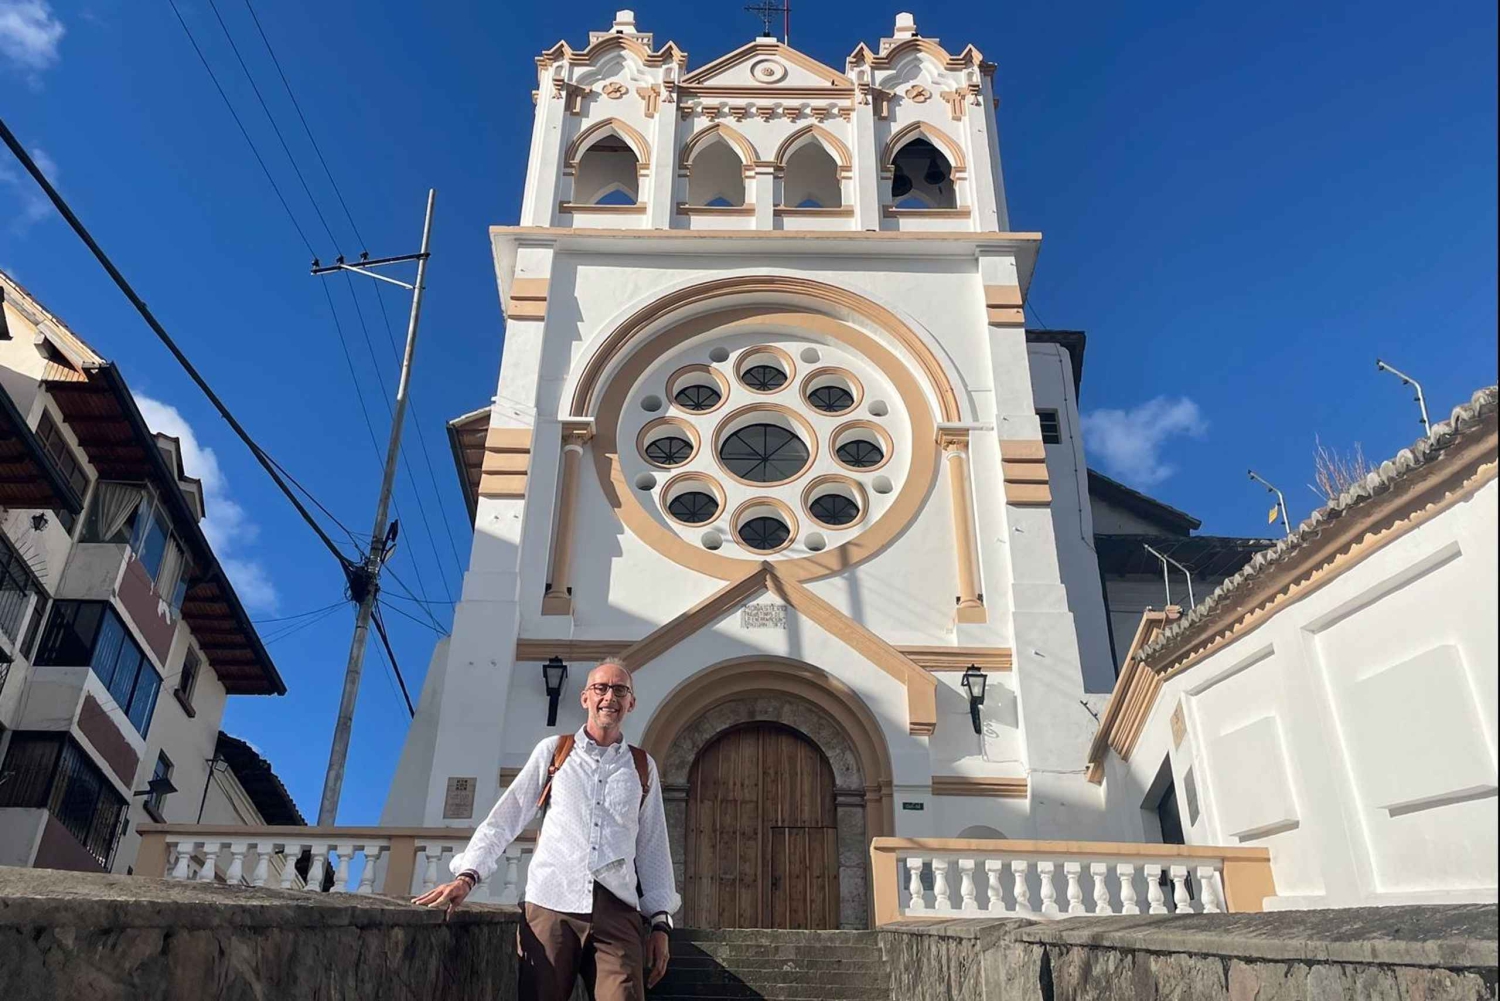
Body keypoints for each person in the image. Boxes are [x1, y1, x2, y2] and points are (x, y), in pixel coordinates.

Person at [414, 658, 678, 1001]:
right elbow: (506, 817)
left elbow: (653, 846)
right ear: (585, 697)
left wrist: (660, 922)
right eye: (600, 688)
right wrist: (468, 875)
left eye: (619, 689)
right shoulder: (554, 751)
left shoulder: (642, 766)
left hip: (617, 913)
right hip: (551, 904)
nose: (609, 696)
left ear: (631, 702)